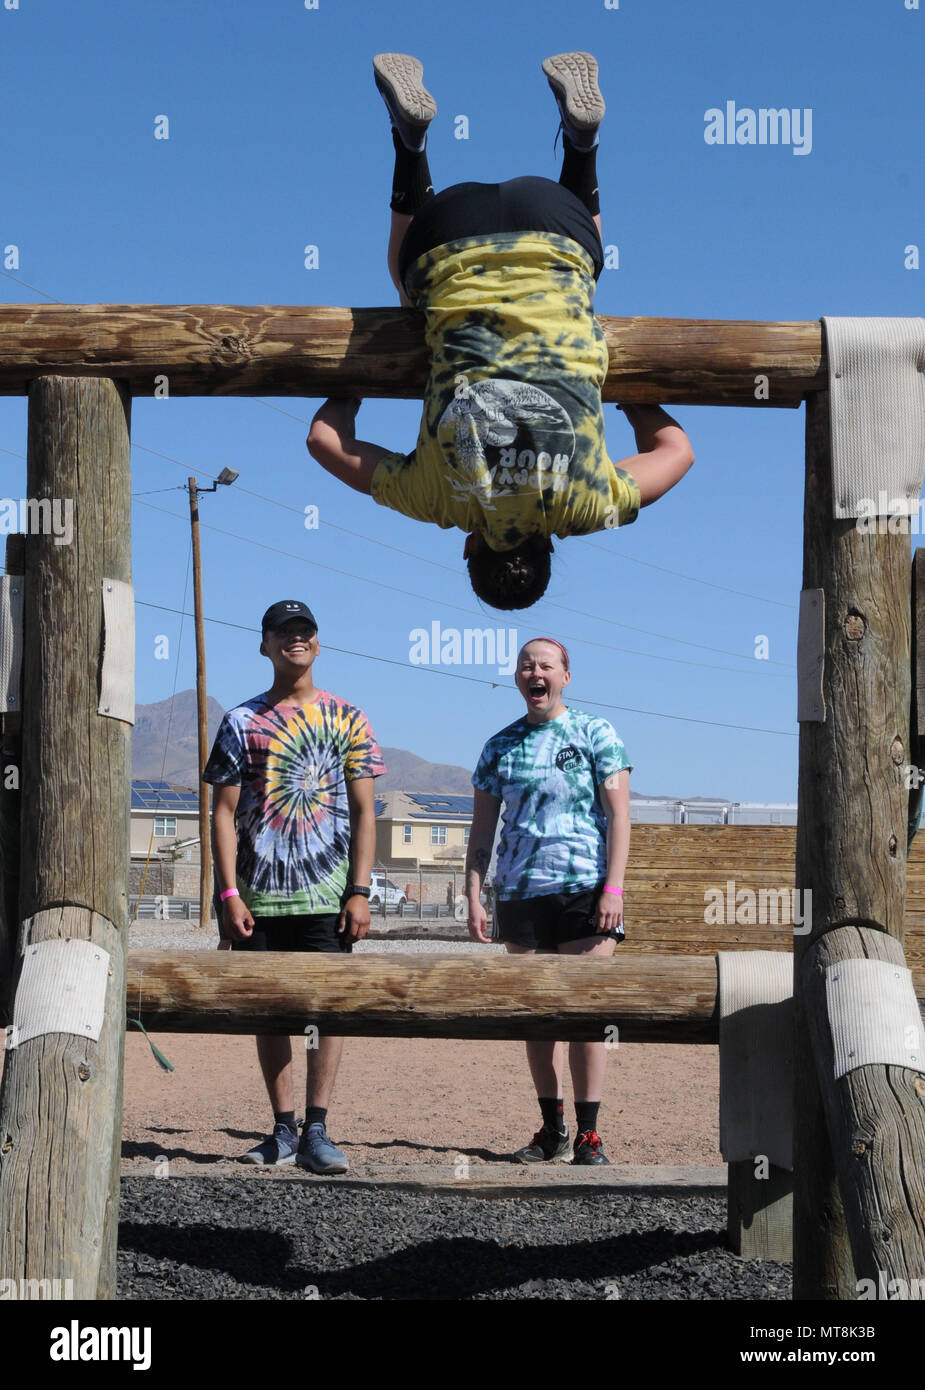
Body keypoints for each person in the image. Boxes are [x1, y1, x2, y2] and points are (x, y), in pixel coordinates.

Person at [306, 51, 694, 610]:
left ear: (550, 552)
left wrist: (618, 393)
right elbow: (324, 440)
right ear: (469, 551)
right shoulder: (437, 501)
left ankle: (582, 147)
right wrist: (355, 379)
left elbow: (677, 451)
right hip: (447, 230)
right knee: (402, 287)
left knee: (581, 276)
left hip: (555, 217)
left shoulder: (588, 506)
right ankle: (410, 143)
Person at [203, 599, 385, 1172]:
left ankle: (319, 1129)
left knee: (324, 1012)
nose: (295, 640)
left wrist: (360, 890)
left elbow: (364, 812)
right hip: (258, 898)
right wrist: (228, 895)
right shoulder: (240, 722)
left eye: (304, 631)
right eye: (283, 632)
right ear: (265, 645)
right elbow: (223, 814)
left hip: (326, 896)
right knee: (269, 1012)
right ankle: (283, 1130)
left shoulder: (348, 718)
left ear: (318, 643)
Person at [465, 637, 630, 1164]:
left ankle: (589, 1134)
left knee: (585, 1014)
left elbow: (620, 817)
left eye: (546, 665)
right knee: (539, 1016)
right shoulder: (499, 747)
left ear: (565, 676)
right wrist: (474, 892)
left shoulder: (594, 733)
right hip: (520, 894)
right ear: (517, 677)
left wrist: (613, 887)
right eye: (525, 665)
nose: (535, 672)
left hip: (586, 890)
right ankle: (551, 1128)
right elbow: (482, 831)